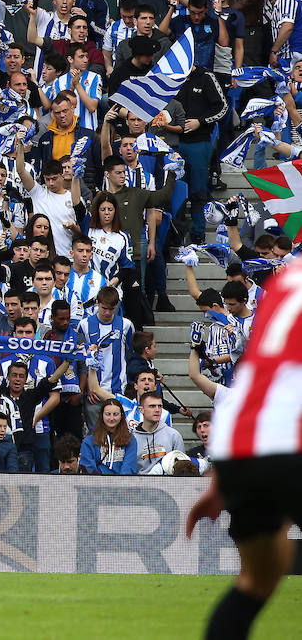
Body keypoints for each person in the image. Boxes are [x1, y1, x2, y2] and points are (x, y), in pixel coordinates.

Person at [187, 261, 302, 639]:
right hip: (292, 444)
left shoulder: (285, 281)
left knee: (256, 582)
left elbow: (254, 382)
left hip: (242, 448)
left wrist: (221, 478)